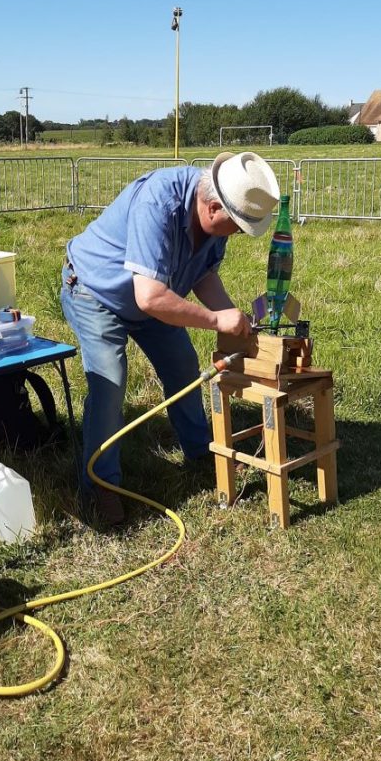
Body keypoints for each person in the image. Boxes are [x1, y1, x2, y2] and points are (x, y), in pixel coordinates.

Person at [60, 151, 280, 527]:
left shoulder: (216, 214)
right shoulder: (158, 202)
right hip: (96, 292)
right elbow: (150, 297)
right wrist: (214, 319)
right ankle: (100, 483)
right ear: (212, 209)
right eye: (237, 226)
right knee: (109, 381)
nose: (239, 234)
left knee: (182, 366)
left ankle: (200, 450)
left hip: (155, 298)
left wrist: (234, 320)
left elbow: (202, 274)